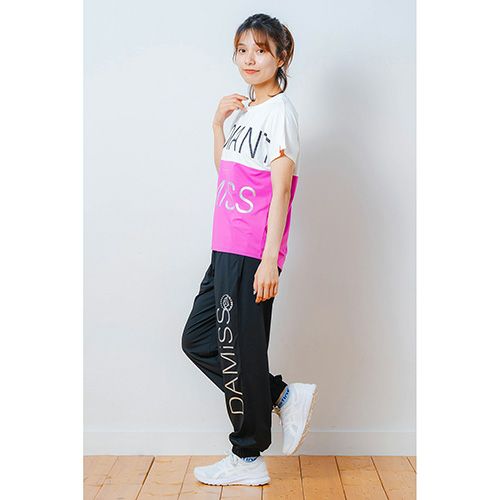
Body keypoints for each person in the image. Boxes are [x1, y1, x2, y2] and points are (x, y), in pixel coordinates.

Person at [181, 13, 318, 486]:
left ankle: (247, 457)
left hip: (249, 253)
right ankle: (280, 396)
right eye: (242, 50)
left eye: (260, 50)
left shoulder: (281, 114)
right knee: (199, 339)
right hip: (224, 248)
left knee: (238, 352)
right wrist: (217, 125)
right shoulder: (245, 113)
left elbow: (280, 193)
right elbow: (228, 175)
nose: (250, 59)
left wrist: (269, 260)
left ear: (282, 56)